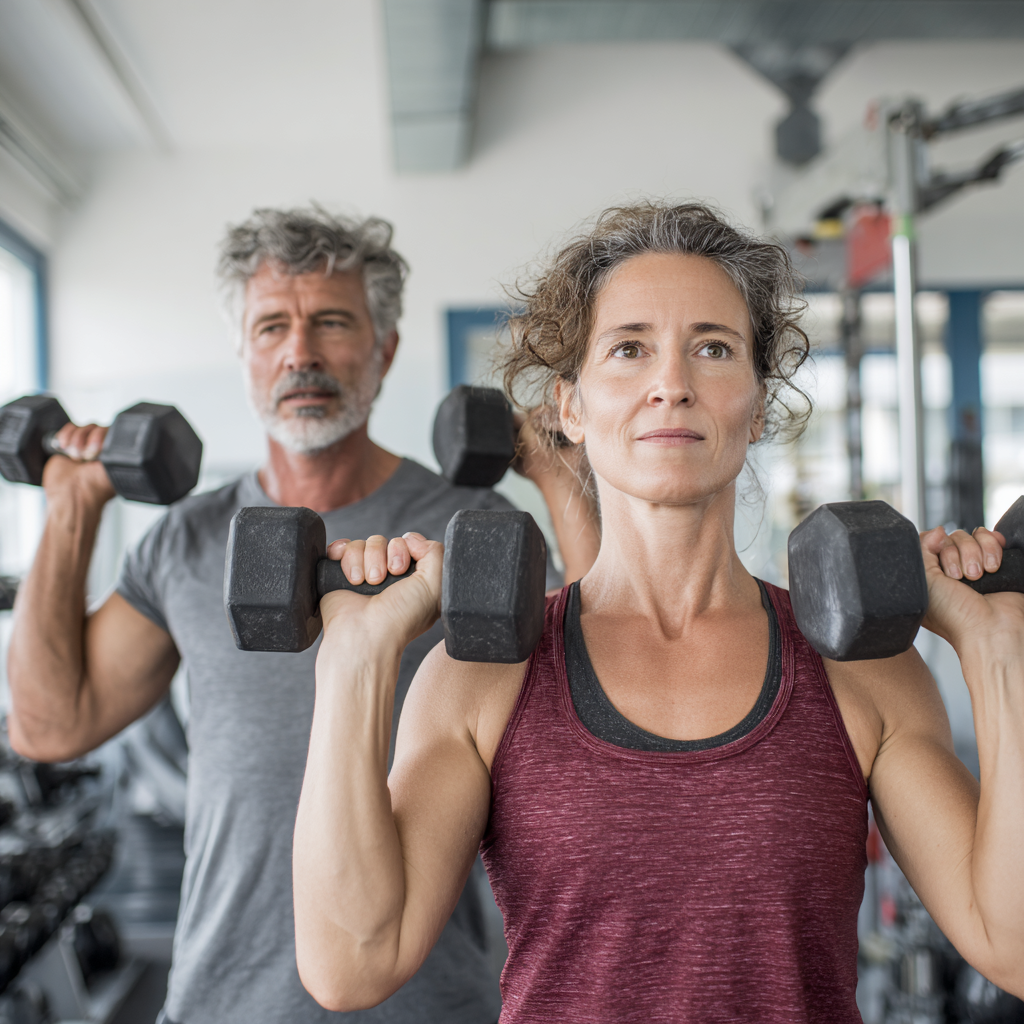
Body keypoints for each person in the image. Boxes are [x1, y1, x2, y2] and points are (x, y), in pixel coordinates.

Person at [292, 201, 1024, 1022]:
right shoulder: (483, 673)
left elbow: (1015, 944)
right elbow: (352, 965)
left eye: (712, 349)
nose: (670, 385)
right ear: (570, 407)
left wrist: (1002, 656)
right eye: (629, 348)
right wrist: (353, 661)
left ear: (756, 401)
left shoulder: (859, 667)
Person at [6, 207, 600, 1024]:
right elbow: (48, 727)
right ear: (246, 355)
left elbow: (603, 678)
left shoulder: (476, 527)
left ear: (384, 350)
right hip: (224, 997)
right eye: (272, 326)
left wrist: (561, 480)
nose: (301, 353)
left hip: (426, 1001)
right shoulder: (185, 540)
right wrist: (72, 509)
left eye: (331, 322)